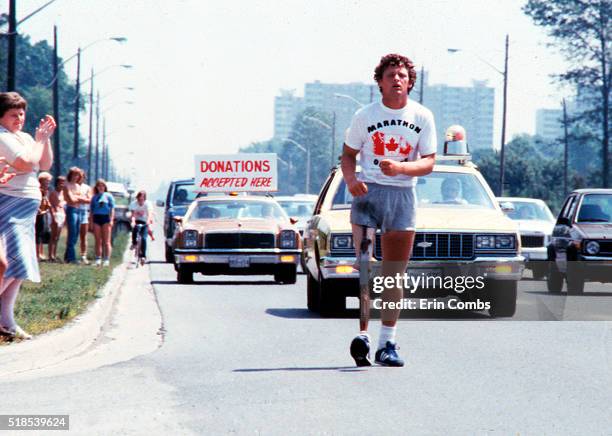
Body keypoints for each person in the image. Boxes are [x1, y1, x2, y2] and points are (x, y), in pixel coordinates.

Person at [342, 54, 436, 367]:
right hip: (369, 195)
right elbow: (348, 154)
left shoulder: (422, 116)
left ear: (410, 82)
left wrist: (401, 167)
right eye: (391, 75)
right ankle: (363, 337)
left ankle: (387, 344)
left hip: (402, 196)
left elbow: (429, 162)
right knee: (366, 267)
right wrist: (352, 179)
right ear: (380, 81)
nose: (397, 79)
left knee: (395, 275)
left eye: (402, 75)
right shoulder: (364, 115)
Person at [0, 91, 56, 340]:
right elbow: (25, 163)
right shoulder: (3, 137)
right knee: (12, 262)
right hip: (10, 203)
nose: (19, 118)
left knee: (19, 267)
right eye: (13, 114)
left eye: (22, 113)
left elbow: (44, 164)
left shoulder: (22, 137)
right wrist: (40, 141)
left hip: (26, 207)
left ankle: (6, 320)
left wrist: (45, 139)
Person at [63, 167, 88, 263]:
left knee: (76, 234)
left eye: (78, 175)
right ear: (70, 175)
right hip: (71, 210)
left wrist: (77, 197)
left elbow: (87, 200)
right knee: (72, 233)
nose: (76, 177)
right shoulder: (67, 185)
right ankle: (71, 258)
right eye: (74, 174)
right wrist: (80, 198)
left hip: (79, 210)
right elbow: (71, 200)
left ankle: (68, 256)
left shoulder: (78, 186)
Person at [90, 179, 115, 267]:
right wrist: (91, 222)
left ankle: (107, 259)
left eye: (102, 186)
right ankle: (98, 258)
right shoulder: (94, 197)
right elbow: (92, 210)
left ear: (105, 187)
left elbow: (112, 208)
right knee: (98, 240)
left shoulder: (109, 196)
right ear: (96, 187)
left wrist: (111, 219)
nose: (101, 187)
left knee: (106, 241)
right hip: (97, 218)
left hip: (106, 218)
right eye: (99, 186)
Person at [129, 190, 154, 263]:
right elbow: (133, 215)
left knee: (144, 238)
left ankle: (143, 256)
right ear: (137, 198)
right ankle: (134, 243)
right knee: (135, 229)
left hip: (145, 222)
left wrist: (148, 221)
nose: (140, 201)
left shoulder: (148, 204)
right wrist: (133, 221)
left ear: (144, 199)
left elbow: (149, 214)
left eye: (142, 199)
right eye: (139, 199)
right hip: (137, 220)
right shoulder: (134, 204)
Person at [35, 172, 53, 260]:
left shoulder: (46, 191)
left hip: (44, 213)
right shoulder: (38, 190)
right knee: (37, 233)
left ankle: (41, 253)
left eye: (49, 181)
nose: (48, 183)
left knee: (41, 233)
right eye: (47, 181)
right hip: (37, 214)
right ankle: (37, 254)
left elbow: (47, 202)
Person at [48, 175, 66, 261]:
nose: (62, 184)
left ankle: (54, 255)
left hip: (62, 214)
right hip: (56, 214)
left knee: (57, 237)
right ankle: (50, 255)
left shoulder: (64, 193)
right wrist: (53, 217)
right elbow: (51, 206)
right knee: (53, 236)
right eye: (60, 182)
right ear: (57, 183)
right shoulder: (53, 193)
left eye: (63, 182)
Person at [78, 169, 92, 264]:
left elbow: (89, 199)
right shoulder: (71, 186)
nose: (80, 178)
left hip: (84, 211)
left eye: (82, 176)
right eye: (78, 176)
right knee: (73, 235)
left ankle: (83, 255)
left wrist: (77, 198)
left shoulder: (87, 187)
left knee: (84, 235)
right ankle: (71, 255)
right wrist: (83, 199)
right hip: (73, 211)